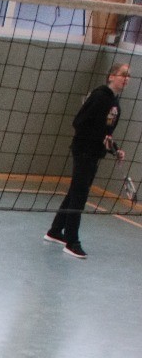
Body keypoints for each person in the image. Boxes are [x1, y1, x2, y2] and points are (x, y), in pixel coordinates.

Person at [46, 61, 131, 260]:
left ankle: (55, 231)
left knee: (75, 192)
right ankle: (72, 242)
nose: (126, 79)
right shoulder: (100, 96)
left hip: (94, 153)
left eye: (129, 76)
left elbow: (105, 132)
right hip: (84, 152)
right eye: (123, 74)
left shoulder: (114, 102)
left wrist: (115, 149)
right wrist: (98, 140)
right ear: (111, 76)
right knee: (80, 196)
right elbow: (79, 123)